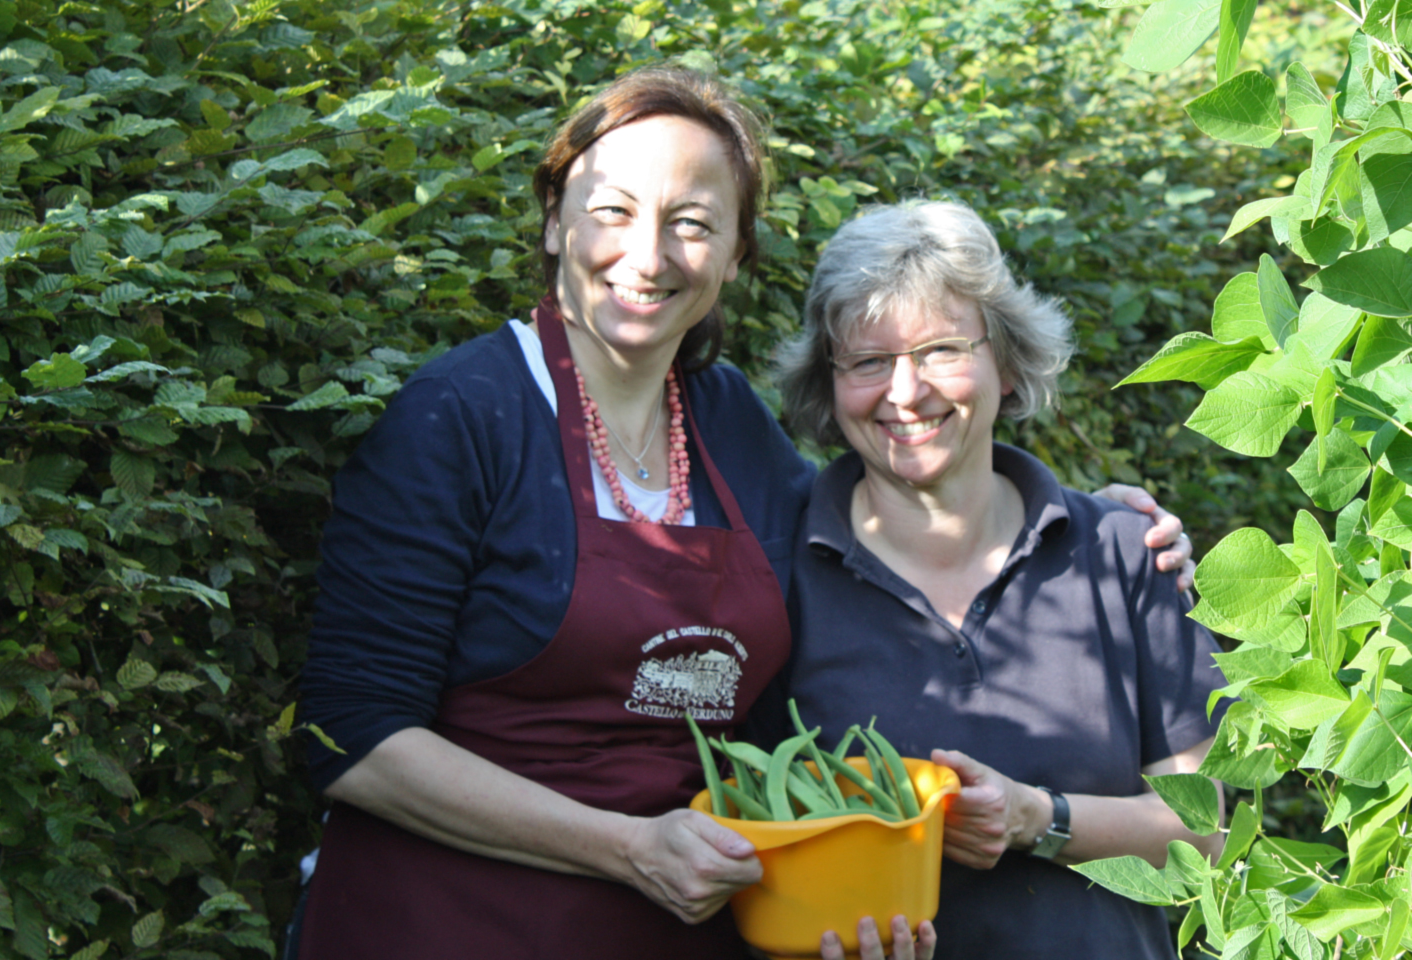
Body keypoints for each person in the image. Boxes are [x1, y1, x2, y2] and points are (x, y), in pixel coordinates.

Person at [292, 67, 1192, 960]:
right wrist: (627, 846)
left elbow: (882, 505)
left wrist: (1083, 523)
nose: (648, 256)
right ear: (556, 221)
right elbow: (356, 737)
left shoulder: (728, 425)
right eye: (613, 211)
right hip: (446, 924)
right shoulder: (460, 419)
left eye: (692, 224)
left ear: (732, 257)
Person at [773, 200, 1226, 960]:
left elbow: (1204, 833)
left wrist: (1035, 819)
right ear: (829, 381)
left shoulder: (1124, 553)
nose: (906, 392)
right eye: (867, 361)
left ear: (1007, 362)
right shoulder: (777, 573)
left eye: (943, 349)